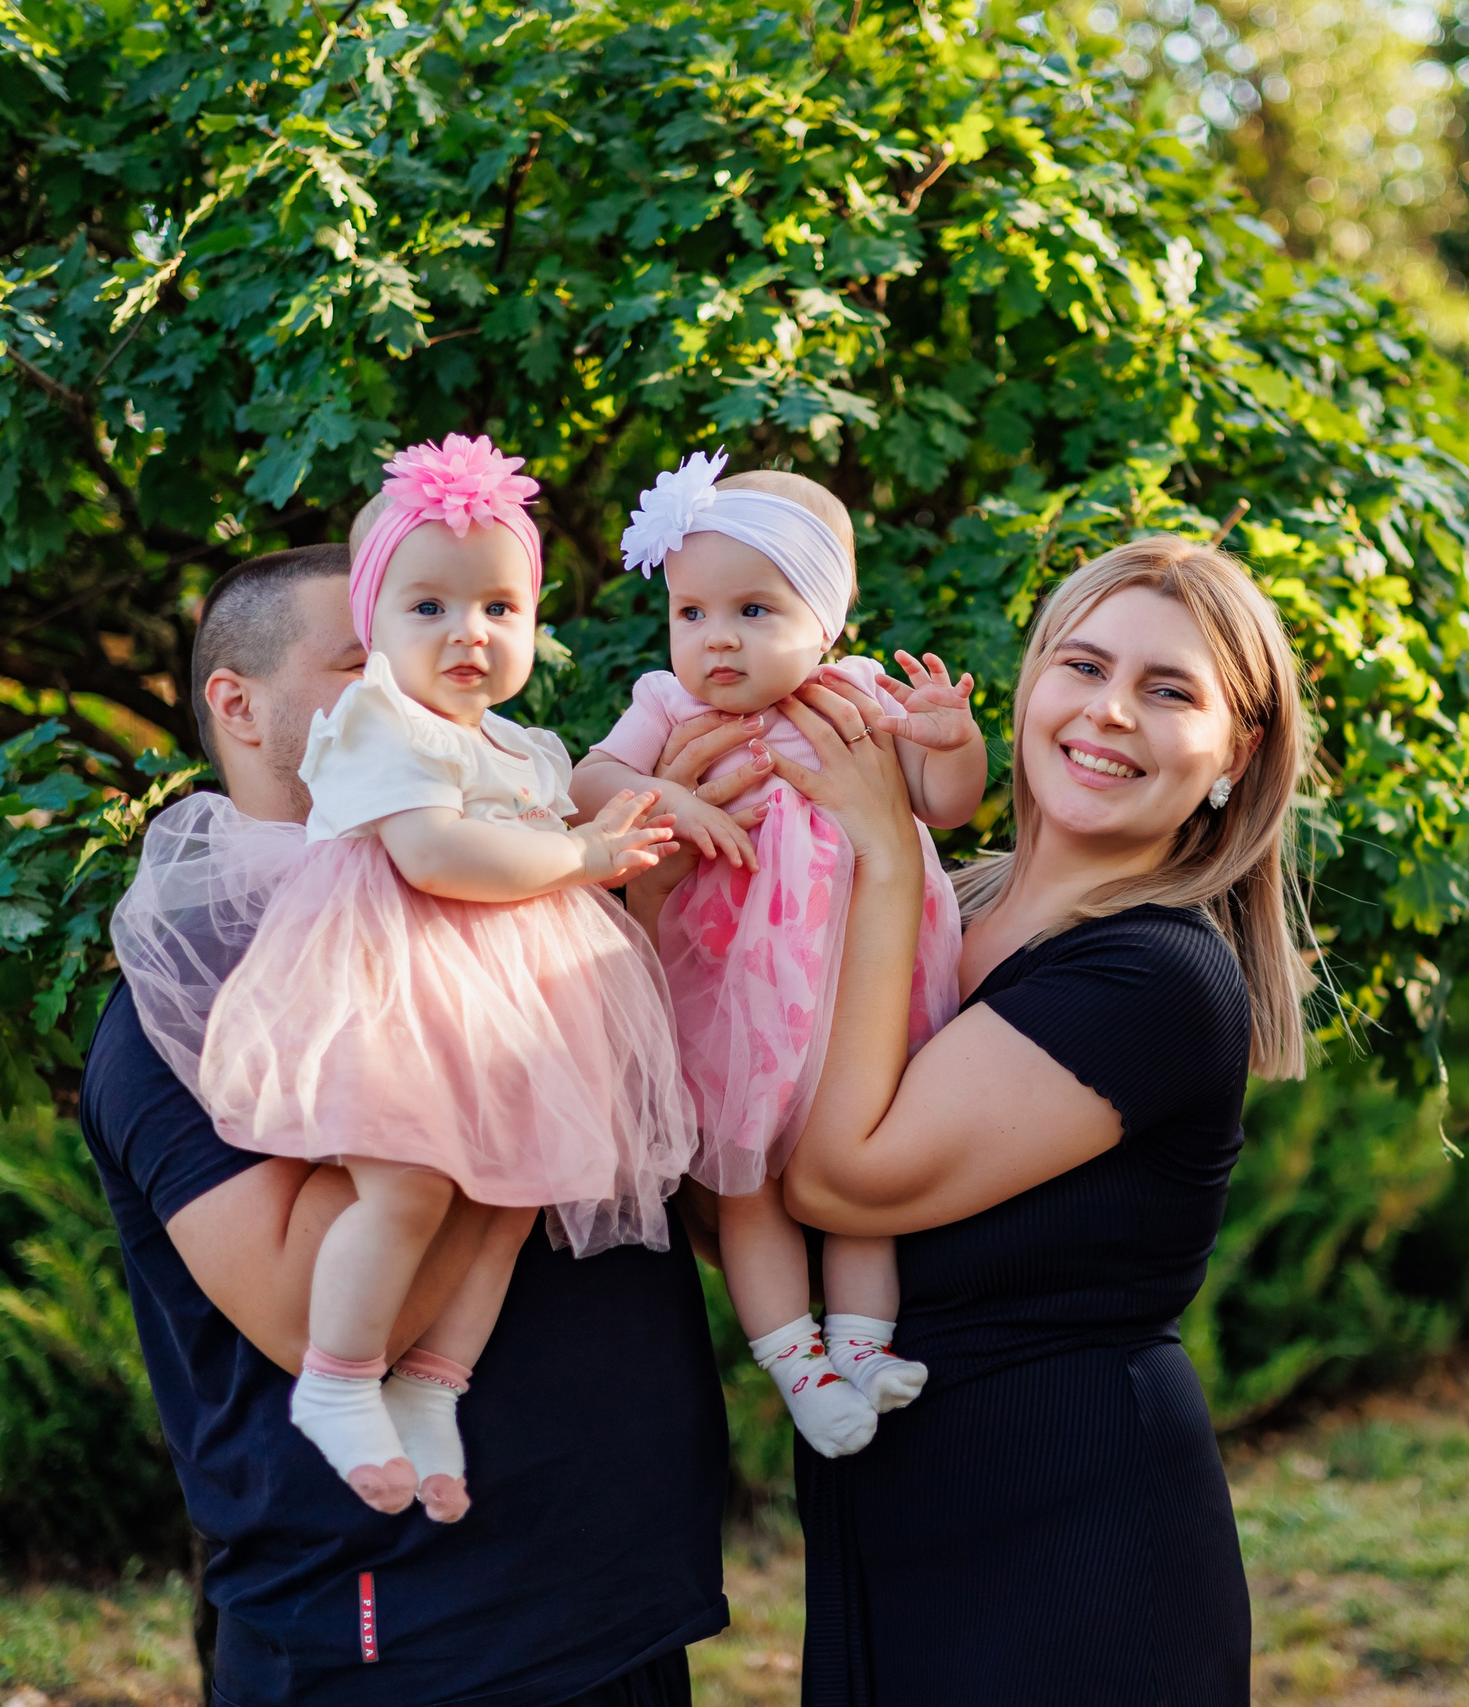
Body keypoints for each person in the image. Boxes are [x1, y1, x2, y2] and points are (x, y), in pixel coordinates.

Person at [81, 540, 728, 1707]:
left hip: (615, 1604)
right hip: (405, 1633)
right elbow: (296, 1309)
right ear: (240, 705)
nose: (418, 676)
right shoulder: (198, 998)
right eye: (362, 657)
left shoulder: (527, 910)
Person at [677, 535, 1311, 1704]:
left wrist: (878, 854)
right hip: (897, 1529)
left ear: (1237, 753)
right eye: (1081, 666)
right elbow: (748, 1181)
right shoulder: (941, 913)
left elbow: (840, 1184)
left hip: (1070, 1557)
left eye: (1169, 691)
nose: (1109, 711)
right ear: (1029, 687)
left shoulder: (1153, 978)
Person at [170, 435, 687, 1524]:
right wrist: (585, 855)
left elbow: (545, 830)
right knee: (406, 1180)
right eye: (425, 611)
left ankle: (433, 1385)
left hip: (511, 999)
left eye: (501, 608)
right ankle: (340, 1376)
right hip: (397, 983)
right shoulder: (384, 724)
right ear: (375, 629)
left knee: (513, 1194)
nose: (469, 633)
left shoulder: (521, 745)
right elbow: (438, 858)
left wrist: (620, 829)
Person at [574, 450, 987, 1460]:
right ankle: (796, 1364)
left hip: (859, 991)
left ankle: (864, 1345)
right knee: (747, 1180)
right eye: (692, 614)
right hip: (731, 994)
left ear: (826, 621)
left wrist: (948, 740)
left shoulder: (855, 697)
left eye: (755, 611)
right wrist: (663, 796)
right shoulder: (671, 711)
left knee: (859, 1177)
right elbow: (590, 779)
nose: (717, 640)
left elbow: (945, 806)